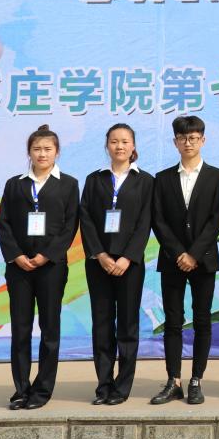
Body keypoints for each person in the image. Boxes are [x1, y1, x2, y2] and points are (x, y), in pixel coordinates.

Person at [0, 125, 79, 410]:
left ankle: (42, 390)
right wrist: (16, 255)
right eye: (37, 149)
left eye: (47, 149)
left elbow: (70, 225)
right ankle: (21, 389)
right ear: (29, 152)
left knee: (49, 329)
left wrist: (47, 255)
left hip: (51, 267)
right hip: (19, 268)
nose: (42, 154)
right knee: (20, 329)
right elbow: (4, 223)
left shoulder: (68, 184)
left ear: (57, 152)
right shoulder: (15, 184)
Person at [149, 115, 219, 405]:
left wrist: (193, 254)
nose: (188, 143)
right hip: (172, 260)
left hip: (203, 260)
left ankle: (196, 380)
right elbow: (158, 220)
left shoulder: (218, 177)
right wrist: (178, 253)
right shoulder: (162, 179)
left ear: (202, 140)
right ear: (175, 142)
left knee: (202, 319)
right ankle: (174, 381)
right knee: (173, 320)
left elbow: (216, 220)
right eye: (183, 138)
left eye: (193, 138)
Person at [80, 124, 154, 405]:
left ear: (133, 146)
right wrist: (100, 254)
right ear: (107, 145)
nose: (119, 146)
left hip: (129, 265)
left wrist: (127, 257)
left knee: (127, 325)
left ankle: (122, 387)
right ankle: (103, 385)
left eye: (125, 141)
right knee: (101, 324)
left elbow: (145, 222)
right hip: (98, 263)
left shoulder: (145, 181)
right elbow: (85, 219)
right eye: (114, 141)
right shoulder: (94, 179)